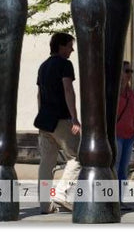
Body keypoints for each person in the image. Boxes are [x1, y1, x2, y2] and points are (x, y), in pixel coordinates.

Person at [33, 32, 81, 213]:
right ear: (61, 46)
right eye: (70, 46)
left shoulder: (43, 66)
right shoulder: (65, 64)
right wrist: (74, 117)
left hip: (44, 120)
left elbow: (39, 94)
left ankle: (45, 204)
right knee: (76, 157)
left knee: (47, 162)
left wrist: (43, 113)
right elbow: (68, 90)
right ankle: (61, 193)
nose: (72, 50)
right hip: (61, 118)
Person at [115, 60, 134, 210]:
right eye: (126, 71)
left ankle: (120, 200)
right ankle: (111, 200)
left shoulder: (131, 93)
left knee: (124, 170)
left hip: (129, 135)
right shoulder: (115, 93)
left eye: (131, 71)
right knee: (115, 168)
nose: (130, 74)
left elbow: (133, 113)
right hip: (117, 134)